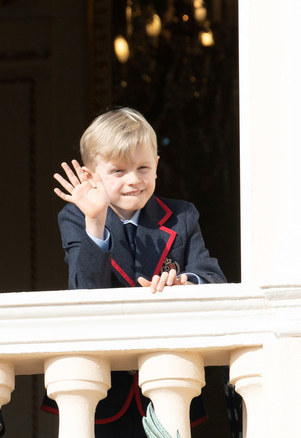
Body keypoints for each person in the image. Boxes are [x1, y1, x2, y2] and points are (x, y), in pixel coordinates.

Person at [44, 107, 226, 436]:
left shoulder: (182, 216)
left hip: (166, 384)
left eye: (143, 167)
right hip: (104, 392)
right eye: (118, 170)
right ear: (90, 176)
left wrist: (186, 282)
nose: (134, 179)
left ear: (157, 163)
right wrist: (95, 221)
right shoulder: (75, 218)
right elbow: (85, 292)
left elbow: (213, 278)